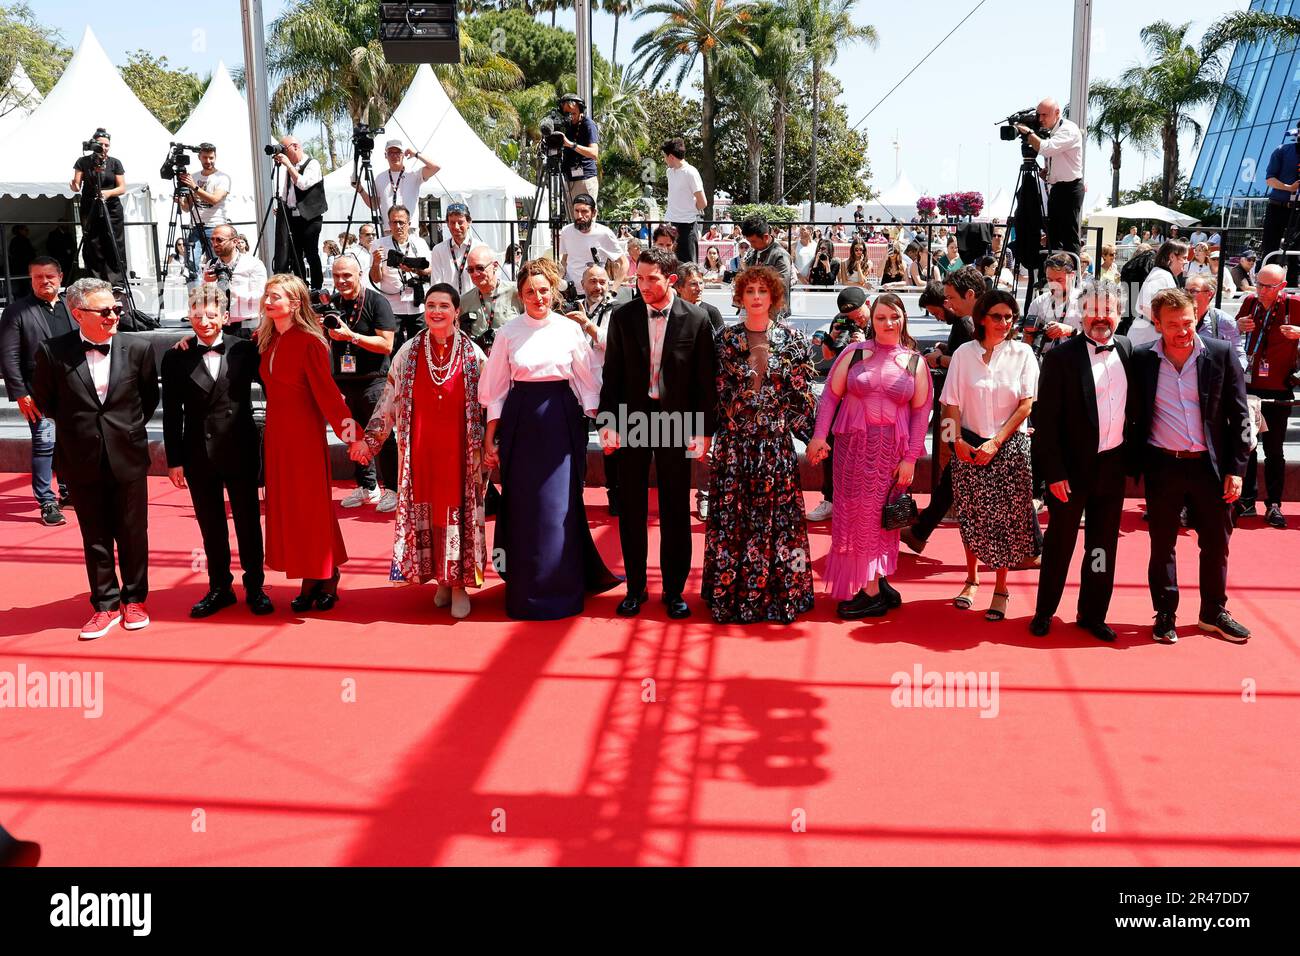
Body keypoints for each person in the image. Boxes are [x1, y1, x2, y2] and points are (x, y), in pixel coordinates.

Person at [478, 259, 619, 619]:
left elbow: (587, 382)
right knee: (524, 508)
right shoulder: (507, 333)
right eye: (530, 291)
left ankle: (563, 588)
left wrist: (600, 424)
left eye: (543, 290)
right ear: (520, 294)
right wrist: (490, 438)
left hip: (561, 421)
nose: (537, 297)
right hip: (520, 423)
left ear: (553, 291)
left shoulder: (569, 330)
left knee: (558, 508)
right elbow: (495, 390)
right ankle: (525, 591)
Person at [32, 277, 159, 640]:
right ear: (77, 314)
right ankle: (105, 605)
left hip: (128, 454)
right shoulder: (52, 352)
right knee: (96, 535)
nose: (114, 316)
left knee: (134, 533)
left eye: (116, 309)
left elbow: (147, 399)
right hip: (81, 457)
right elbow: (47, 401)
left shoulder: (138, 348)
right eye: (104, 311)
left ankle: (135, 600)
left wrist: (123, 430)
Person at [352, 284, 488, 619]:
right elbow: (388, 400)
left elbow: (492, 402)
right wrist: (371, 442)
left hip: (460, 454)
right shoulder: (408, 352)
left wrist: (492, 444)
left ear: (457, 311)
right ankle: (440, 581)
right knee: (429, 515)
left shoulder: (474, 355)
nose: (436, 311)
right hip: (420, 454)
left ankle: (458, 585)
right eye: (430, 305)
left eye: (444, 305)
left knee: (457, 513)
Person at [1127, 288, 1252, 644]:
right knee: (1162, 543)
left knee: (1216, 543)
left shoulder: (1220, 353)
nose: (1183, 330)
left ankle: (1213, 611)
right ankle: (1165, 613)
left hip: (1210, 468)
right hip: (1162, 465)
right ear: (1157, 324)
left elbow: (1240, 415)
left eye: (1188, 321)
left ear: (1196, 316)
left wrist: (1237, 469)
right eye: (1173, 325)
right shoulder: (1142, 359)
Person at [598, 247, 717, 619]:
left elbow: (705, 381)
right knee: (631, 506)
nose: (644, 284)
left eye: (651, 278)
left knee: (674, 508)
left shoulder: (696, 319)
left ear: (672, 280)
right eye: (639, 277)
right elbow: (612, 373)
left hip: (677, 421)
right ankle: (635, 589)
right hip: (633, 417)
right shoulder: (623, 316)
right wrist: (608, 422)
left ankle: (674, 590)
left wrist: (704, 430)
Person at [701, 265, 817, 624]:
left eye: (762, 292)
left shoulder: (793, 340)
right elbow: (713, 396)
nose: (755, 297)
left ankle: (784, 595)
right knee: (734, 522)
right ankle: (731, 596)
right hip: (735, 447)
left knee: (779, 524)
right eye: (749, 291)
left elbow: (801, 397)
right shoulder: (724, 341)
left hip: (775, 447)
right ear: (739, 296)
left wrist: (813, 437)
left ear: (773, 297)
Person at [805, 293, 930, 619]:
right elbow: (830, 397)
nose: (889, 323)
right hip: (852, 451)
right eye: (881, 318)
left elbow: (921, 414)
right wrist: (819, 436)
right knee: (855, 515)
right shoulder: (855, 352)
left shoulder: (915, 362)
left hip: (891, 454)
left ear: (904, 318)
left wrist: (911, 458)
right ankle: (876, 584)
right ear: (870, 321)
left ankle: (873, 589)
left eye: (894, 316)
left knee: (880, 519)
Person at [1030, 281, 1132, 640]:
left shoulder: (1127, 349)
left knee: (1101, 547)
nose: (1101, 317)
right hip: (1070, 473)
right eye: (1093, 310)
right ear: (1082, 314)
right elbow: (1045, 424)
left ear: (1119, 314)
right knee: (1060, 545)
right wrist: (1053, 473)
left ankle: (1092, 612)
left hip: (1111, 469)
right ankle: (1045, 611)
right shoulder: (1060, 358)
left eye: (1109, 310)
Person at [162, 286, 272, 618]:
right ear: (189, 317)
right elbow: (171, 413)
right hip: (197, 452)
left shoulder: (245, 349)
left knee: (249, 523)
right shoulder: (176, 356)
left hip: (239, 446)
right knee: (211, 526)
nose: (204, 321)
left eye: (211, 315)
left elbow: (273, 383)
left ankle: (256, 587)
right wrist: (174, 460)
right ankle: (219, 588)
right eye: (197, 315)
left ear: (225, 317)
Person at [941, 289, 1040, 622]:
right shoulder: (962, 355)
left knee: (1006, 520)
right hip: (967, 444)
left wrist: (996, 442)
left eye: (1010, 317)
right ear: (981, 318)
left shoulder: (1023, 353)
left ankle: (1001, 587)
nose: (1004, 322)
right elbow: (950, 403)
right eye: (997, 316)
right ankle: (971, 579)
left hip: (1009, 445)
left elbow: (1026, 404)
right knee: (971, 515)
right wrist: (954, 442)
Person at [257, 273, 353, 612]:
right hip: (277, 439)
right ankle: (312, 574)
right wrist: (188, 343)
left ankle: (324, 576)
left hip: (305, 440)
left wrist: (352, 437)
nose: (269, 302)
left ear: (295, 303)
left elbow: (329, 397)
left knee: (310, 509)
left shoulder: (310, 342)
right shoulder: (266, 340)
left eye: (276, 297)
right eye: (267, 296)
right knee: (290, 511)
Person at [0, 256, 75, 525]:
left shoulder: (73, 307)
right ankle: (46, 501)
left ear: (60, 277)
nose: (44, 282)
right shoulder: (16, 311)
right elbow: (8, 357)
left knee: (70, 443)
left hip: (75, 389)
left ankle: (67, 490)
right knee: (45, 443)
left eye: (49, 277)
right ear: (31, 280)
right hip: (37, 392)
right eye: (38, 277)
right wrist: (20, 393)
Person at [329, 255, 398, 513]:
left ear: (358, 274)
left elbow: (387, 345)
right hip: (344, 382)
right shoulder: (333, 304)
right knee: (352, 435)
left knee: (382, 435)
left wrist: (352, 336)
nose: (341, 281)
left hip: (374, 380)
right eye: (336, 276)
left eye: (346, 275)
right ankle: (368, 486)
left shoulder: (376, 302)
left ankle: (392, 488)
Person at [1234, 263, 1300, 528]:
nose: (1260, 290)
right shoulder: (1250, 302)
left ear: (1282, 286)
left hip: (1279, 387)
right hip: (1249, 386)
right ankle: (1246, 500)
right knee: (1247, 447)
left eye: (1267, 286)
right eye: (1258, 283)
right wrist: (1237, 326)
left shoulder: (1294, 305)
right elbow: (1229, 336)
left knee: (1274, 450)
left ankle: (1273, 504)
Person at [1016, 98, 1084, 255]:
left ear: (1057, 113)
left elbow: (1046, 148)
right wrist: (1049, 171)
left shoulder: (1068, 129)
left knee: (1069, 236)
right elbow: (1055, 155)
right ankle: (1051, 273)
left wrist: (1028, 132)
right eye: (1039, 115)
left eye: (1045, 115)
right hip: (1057, 188)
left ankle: (1071, 276)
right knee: (1053, 234)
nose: (1040, 119)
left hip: (1071, 188)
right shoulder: (1051, 132)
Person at [370, 204, 431, 351]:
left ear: (409, 224)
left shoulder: (419, 243)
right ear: (388, 224)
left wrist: (414, 269)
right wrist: (376, 262)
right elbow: (376, 278)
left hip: (417, 306)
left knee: (419, 347)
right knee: (394, 348)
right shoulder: (379, 244)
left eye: (401, 222)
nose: (397, 226)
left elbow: (429, 270)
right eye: (393, 222)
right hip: (392, 306)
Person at [70, 130, 128, 283]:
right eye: (100, 144)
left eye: (107, 145)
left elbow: (122, 188)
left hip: (112, 206)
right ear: (94, 144)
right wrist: (74, 186)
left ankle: (116, 281)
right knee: (92, 242)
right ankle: (96, 279)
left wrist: (108, 193)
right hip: (90, 205)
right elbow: (77, 184)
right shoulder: (83, 161)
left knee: (114, 241)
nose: (104, 147)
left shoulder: (115, 162)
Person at [272, 136, 326, 292]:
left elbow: (302, 184)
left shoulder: (312, 164)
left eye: (284, 148)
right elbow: (286, 191)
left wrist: (288, 165)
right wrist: (282, 209)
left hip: (310, 216)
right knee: (294, 254)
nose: (283, 152)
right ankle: (301, 285)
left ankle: (317, 287)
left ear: (295, 147)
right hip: (292, 216)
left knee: (311, 253)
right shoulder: (289, 168)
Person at [354, 138, 440, 231]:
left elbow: (435, 167)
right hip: (388, 229)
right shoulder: (380, 177)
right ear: (385, 155)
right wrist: (361, 190)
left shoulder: (413, 174)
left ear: (403, 155)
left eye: (398, 153)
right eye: (391, 153)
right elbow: (374, 205)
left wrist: (416, 154)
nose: (394, 156)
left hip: (409, 228)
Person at [203, 223, 267, 338]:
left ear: (235, 241)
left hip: (247, 327)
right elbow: (204, 300)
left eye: (219, 240)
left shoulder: (253, 264)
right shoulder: (211, 264)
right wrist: (207, 283)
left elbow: (261, 297)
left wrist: (230, 289)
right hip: (219, 326)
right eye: (212, 240)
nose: (214, 244)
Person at [177, 142, 230, 281]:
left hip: (215, 226)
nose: (208, 161)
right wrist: (181, 201)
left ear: (215, 157)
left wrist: (194, 187)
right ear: (199, 157)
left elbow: (214, 199)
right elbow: (187, 208)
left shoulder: (222, 178)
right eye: (205, 157)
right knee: (191, 267)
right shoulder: (193, 177)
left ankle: (222, 298)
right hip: (196, 226)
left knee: (218, 266)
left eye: (211, 157)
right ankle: (196, 299)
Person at [558, 193, 627, 298]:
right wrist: (557, 280)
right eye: (576, 211)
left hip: (595, 294)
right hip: (570, 293)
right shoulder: (566, 231)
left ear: (594, 213)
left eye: (584, 211)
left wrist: (613, 291)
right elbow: (564, 261)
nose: (579, 216)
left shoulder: (604, 233)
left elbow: (624, 263)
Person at [458, 245, 521, 350]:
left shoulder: (515, 293)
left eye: (480, 268)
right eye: (470, 270)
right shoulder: (464, 301)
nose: (475, 274)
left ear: (495, 266)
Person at [1131, 239, 1189, 347]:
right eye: (1184, 258)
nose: (1186, 262)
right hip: (1146, 338)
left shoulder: (1164, 275)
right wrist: (1169, 327)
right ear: (1172, 257)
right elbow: (1144, 306)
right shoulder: (1161, 276)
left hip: (1150, 335)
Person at [1024, 252, 1082, 355]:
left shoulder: (1084, 302)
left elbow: (1096, 339)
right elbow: (1026, 339)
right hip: (1044, 360)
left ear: (1072, 276)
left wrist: (1071, 331)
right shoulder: (1038, 302)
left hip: (1075, 360)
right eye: (1049, 280)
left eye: (1059, 280)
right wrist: (1029, 334)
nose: (1054, 285)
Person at [1262, 130, 1300, 284]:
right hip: (1277, 206)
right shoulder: (1282, 150)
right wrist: (1289, 187)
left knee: (1296, 251)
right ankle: (1267, 283)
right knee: (1270, 247)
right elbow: (1269, 179)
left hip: (1298, 209)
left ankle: (1293, 287)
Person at [1186, 274, 1246, 370]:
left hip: (1211, 380)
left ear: (1210, 294)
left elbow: (1239, 357)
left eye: (1193, 291)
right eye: (1185, 290)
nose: (1187, 295)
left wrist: (1229, 378)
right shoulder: (1178, 318)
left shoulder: (1224, 321)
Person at [663, 137, 706, 266]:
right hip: (671, 225)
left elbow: (702, 203)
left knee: (688, 268)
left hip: (687, 226)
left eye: (665, 156)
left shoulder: (691, 172)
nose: (664, 160)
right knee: (671, 266)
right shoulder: (669, 172)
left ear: (671, 156)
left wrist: (690, 209)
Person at [427, 202, 482, 297]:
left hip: (475, 303)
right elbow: (436, 284)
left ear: (469, 222)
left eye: (460, 222)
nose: (456, 227)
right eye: (452, 222)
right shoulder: (438, 250)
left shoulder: (480, 248)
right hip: (449, 304)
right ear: (447, 224)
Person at [740, 216, 796, 306]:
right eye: (749, 242)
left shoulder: (780, 255)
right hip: (753, 308)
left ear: (765, 237)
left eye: (753, 241)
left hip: (773, 312)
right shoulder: (753, 252)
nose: (751, 245)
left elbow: (781, 285)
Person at [558, 93, 600, 213]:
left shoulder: (588, 124)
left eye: (573, 113)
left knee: (585, 219)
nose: (570, 116)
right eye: (567, 113)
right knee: (572, 220)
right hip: (569, 179)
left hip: (585, 179)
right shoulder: (566, 126)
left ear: (580, 109)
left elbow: (594, 153)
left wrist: (571, 145)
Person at [8, 224, 34, 297]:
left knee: (22, 286)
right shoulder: (23, 240)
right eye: (26, 230)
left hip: (19, 267)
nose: (27, 232)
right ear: (20, 231)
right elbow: (27, 254)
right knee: (24, 286)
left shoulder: (14, 241)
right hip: (23, 267)